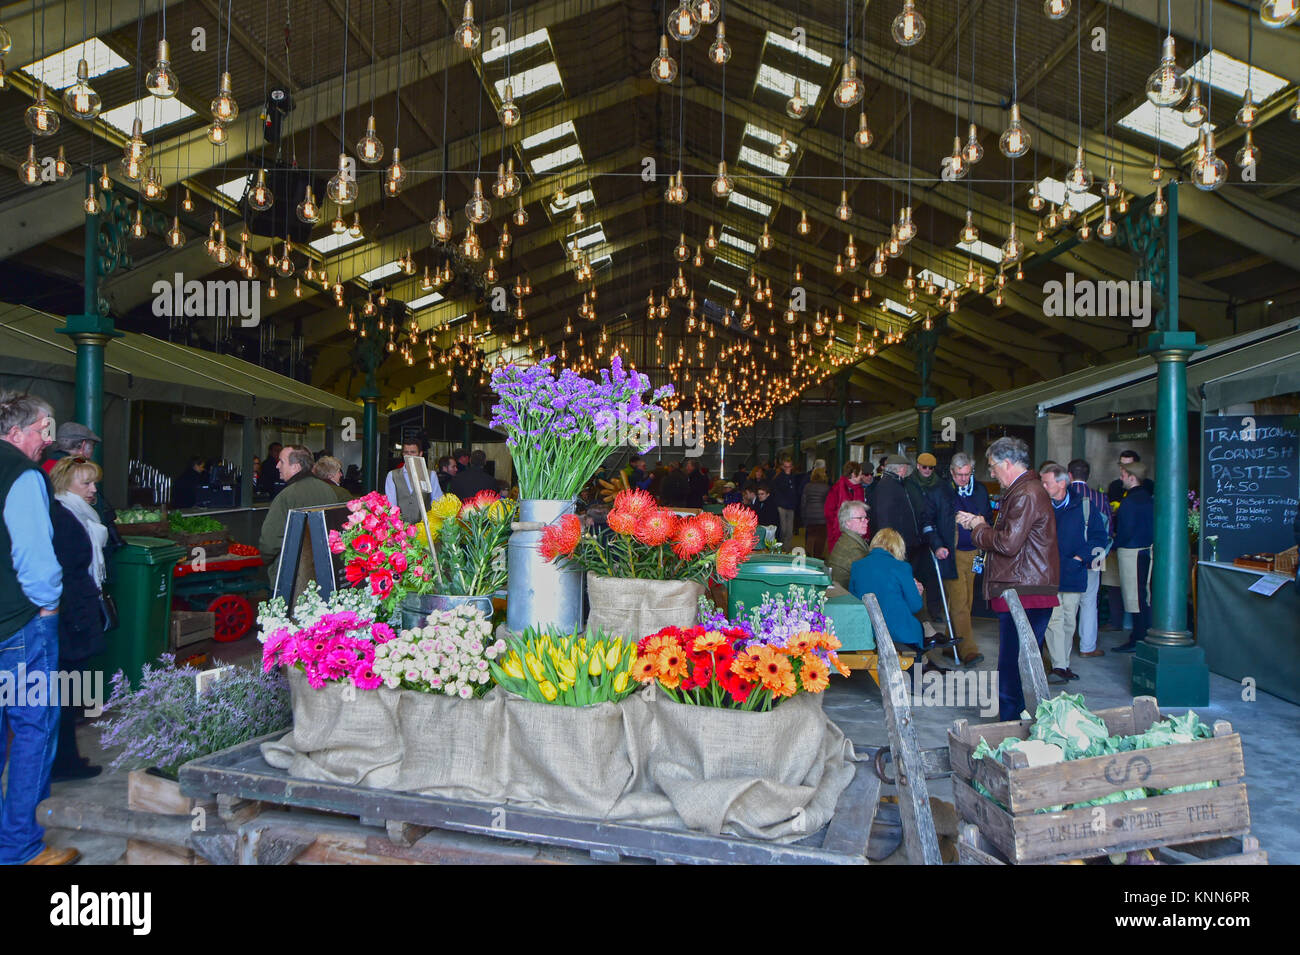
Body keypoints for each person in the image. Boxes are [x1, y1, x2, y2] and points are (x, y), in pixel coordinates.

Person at [0, 391, 79, 865]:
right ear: (17, 431)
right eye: (43, 431)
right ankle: (20, 848)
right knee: (32, 730)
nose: (46, 443)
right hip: (18, 624)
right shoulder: (22, 474)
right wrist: (48, 606)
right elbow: (32, 553)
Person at [957, 437, 1059, 721]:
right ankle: (1016, 720)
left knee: (1013, 664)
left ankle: (1011, 724)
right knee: (1018, 661)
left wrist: (978, 528)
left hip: (1023, 590)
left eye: (992, 466)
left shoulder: (1026, 493)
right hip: (1024, 587)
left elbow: (1007, 544)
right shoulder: (1025, 490)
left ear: (1007, 464)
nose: (991, 473)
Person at [48, 456, 110, 782]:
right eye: (85, 483)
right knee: (66, 689)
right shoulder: (64, 516)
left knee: (69, 690)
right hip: (68, 616)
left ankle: (66, 760)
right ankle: (63, 763)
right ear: (65, 485)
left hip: (73, 613)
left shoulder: (80, 515)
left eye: (93, 482)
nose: (93, 489)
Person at [1040, 464, 1109, 683]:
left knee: (1069, 620)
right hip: (1047, 574)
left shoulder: (1085, 506)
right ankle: (1059, 666)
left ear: (1061, 483)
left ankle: (1062, 664)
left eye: (1046, 482)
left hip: (1073, 573)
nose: (1042, 486)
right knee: (1053, 619)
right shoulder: (1040, 506)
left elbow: (1099, 538)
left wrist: (1080, 558)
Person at [924, 452, 989, 667]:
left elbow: (987, 516)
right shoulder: (938, 492)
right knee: (960, 602)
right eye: (960, 475)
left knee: (966, 600)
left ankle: (951, 646)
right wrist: (938, 545)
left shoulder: (980, 490)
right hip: (951, 554)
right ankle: (968, 651)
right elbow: (928, 521)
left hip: (975, 553)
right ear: (951, 472)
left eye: (967, 474)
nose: (964, 479)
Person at [258, 445, 346, 585]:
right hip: (324, 572)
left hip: (292, 577)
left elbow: (269, 543)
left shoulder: (286, 496)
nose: (277, 466)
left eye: (281, 461)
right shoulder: (328, 491)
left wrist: (265, 559)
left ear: (296, 467)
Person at [848, 528, 925, 651]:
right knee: (919, 629)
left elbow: (853, 601)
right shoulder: (902, 567)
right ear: (898, 547)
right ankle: (918, 669)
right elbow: (915, 606)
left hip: (867, 633)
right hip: (899, 634)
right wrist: (918, 593)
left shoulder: (857, 566)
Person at [1066, 458, 1110, 657]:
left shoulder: (1063, 495)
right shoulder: (1100, 498)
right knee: (1089, 601)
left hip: (1068, 556)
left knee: (1066, 602)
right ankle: (1087, 647)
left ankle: (1062, 646)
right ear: (1088, 475)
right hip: (1094, 555)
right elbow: (1108, 528)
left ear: (1069, 475)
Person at [1112, 460, 1154, 654]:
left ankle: (1137, 638)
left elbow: (1126, 530)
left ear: (1131, 477)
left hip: (1131, 552)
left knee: (1134, 597)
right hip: (1148, 550)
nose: (1121, 478)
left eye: (1123, 475)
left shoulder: (1129, 501)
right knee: (1144, 596)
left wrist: (1115, 541)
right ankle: (1141, 633)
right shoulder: (1149, 498)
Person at [905, 452, 944, 618]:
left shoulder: (939, 484)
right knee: (913, 572)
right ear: (918, 466)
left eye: (931, 468)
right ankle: (914, 609)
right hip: (914, 534)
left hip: (933, 533)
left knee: (934, 574)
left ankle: (934, 610)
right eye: (924, 467)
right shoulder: (908, 483)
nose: (927, 470)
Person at [385, 437, 442, 524]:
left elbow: (437, 502)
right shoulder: (392, 475)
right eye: (406, 452)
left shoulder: (431, 475)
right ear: (402, 454)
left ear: (420, 454)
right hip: (400, 528)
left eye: (413, 452)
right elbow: (391, 505)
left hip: (424, 528)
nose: (409, 455)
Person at [827, 500, 871, 590]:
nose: (866, 521)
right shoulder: (853, 548)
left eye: (866, 518)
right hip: (844, 597)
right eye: (860, 518)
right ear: (847, 522)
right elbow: (867, 580)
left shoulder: (847, 539)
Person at [824, 461, 867, 553]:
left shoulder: (860, 489)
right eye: (860, 474)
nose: (862, 477)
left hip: (855, 530)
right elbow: (828, 511)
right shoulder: (837, 489)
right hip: (839, 530)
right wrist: (840, 522)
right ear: (853, 474)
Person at [769, 456, 802, 552]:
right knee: (783, 529)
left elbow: (795, 490)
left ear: (792, 467)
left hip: (791, 506)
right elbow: (777, 491)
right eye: (786, 466)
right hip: (782, 506)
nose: (788, 468)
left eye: (789, 466)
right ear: (782, 467)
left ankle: (786, 549)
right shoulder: (778, 478)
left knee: (789, 530)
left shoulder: (794, 477)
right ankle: (782, 547)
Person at [800, 466, 830, 559]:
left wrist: (803, 516)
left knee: (811, 536)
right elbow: (828, 504)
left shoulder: (807, 486)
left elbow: (803, 502)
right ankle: (817, 556)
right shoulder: (826, 487)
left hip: (809, 515)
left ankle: (808, 555)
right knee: (821, 537)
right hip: (822, 517)